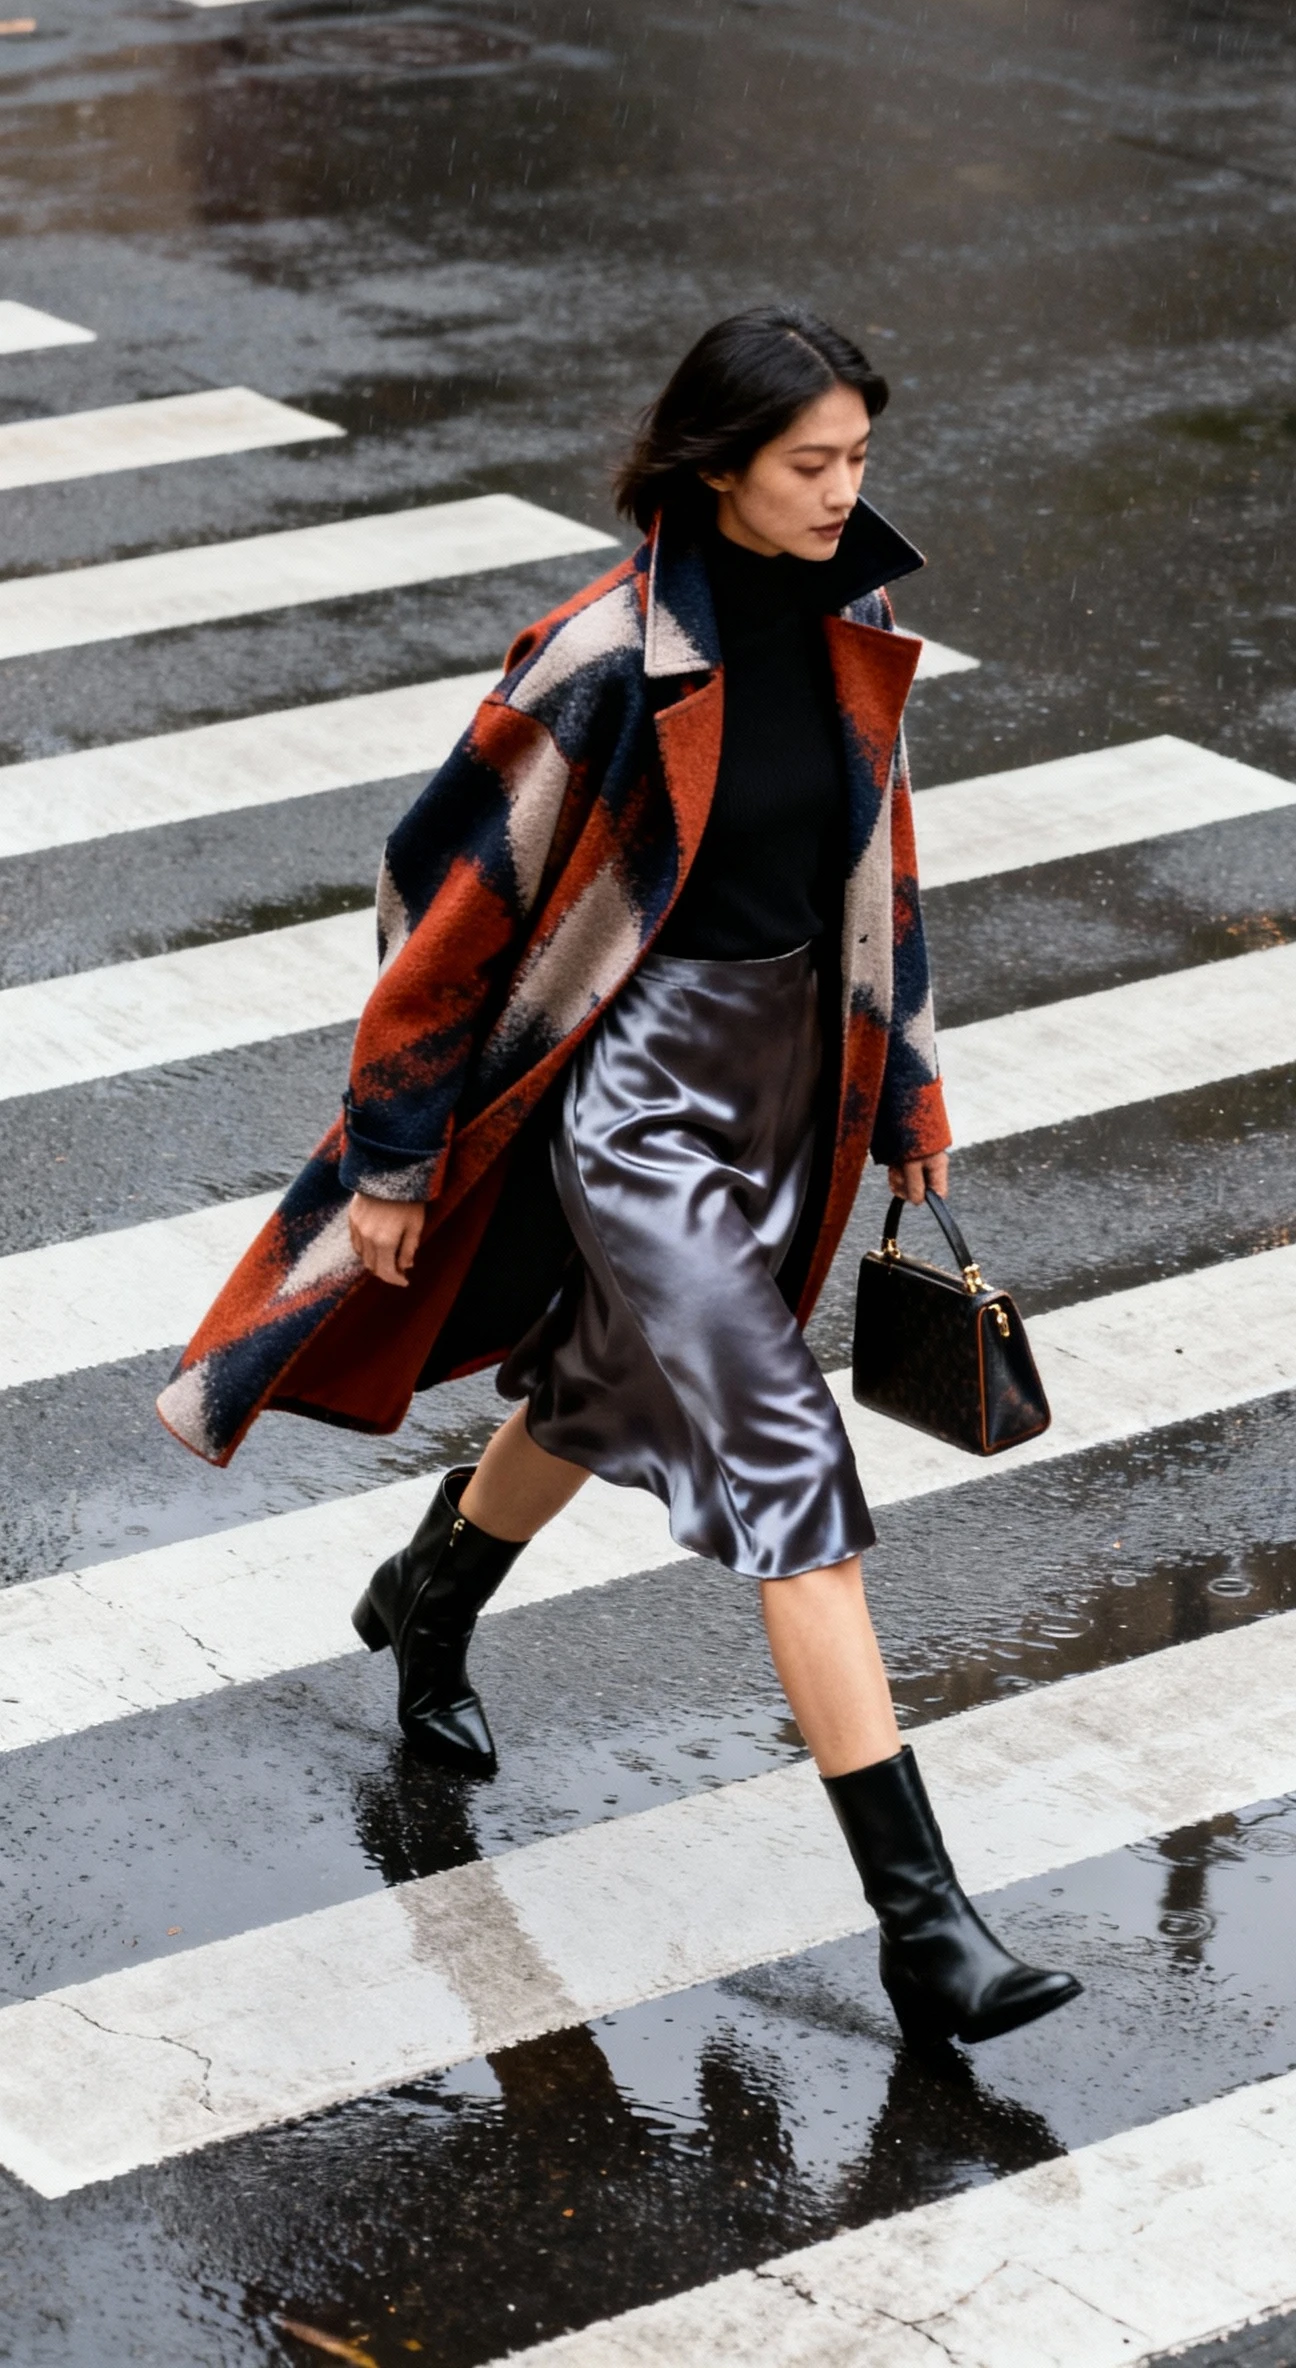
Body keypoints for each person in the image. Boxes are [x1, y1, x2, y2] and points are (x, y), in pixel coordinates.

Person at [158, 305, 1079, 2053]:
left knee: (597, 1392)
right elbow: (444, 911)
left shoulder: (861, 619)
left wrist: (910, 1097)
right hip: (639, 1100)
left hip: (791, 1082)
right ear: (713, 466)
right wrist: (396, 1149)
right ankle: (926, 1927)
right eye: (811, 465)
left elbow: (888, 875)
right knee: (790, 1476)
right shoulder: (601, 657)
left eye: (859, 461)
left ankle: (429, 1597)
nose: (843, 491)